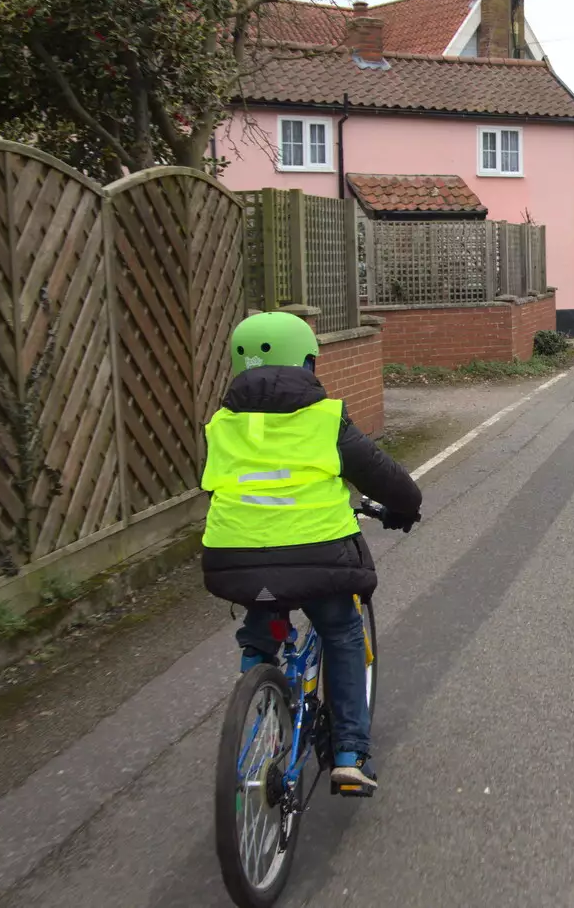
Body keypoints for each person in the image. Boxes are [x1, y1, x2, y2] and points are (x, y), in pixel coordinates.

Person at [199, 311, 422, 797]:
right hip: (321, 557)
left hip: (232, 558)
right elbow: (381, 475)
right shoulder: (326, 418)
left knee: (264, 616)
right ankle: (348, 754)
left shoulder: (220, 425)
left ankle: (254, 685)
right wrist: (406, 506)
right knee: (341, 630)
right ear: (307, 362)